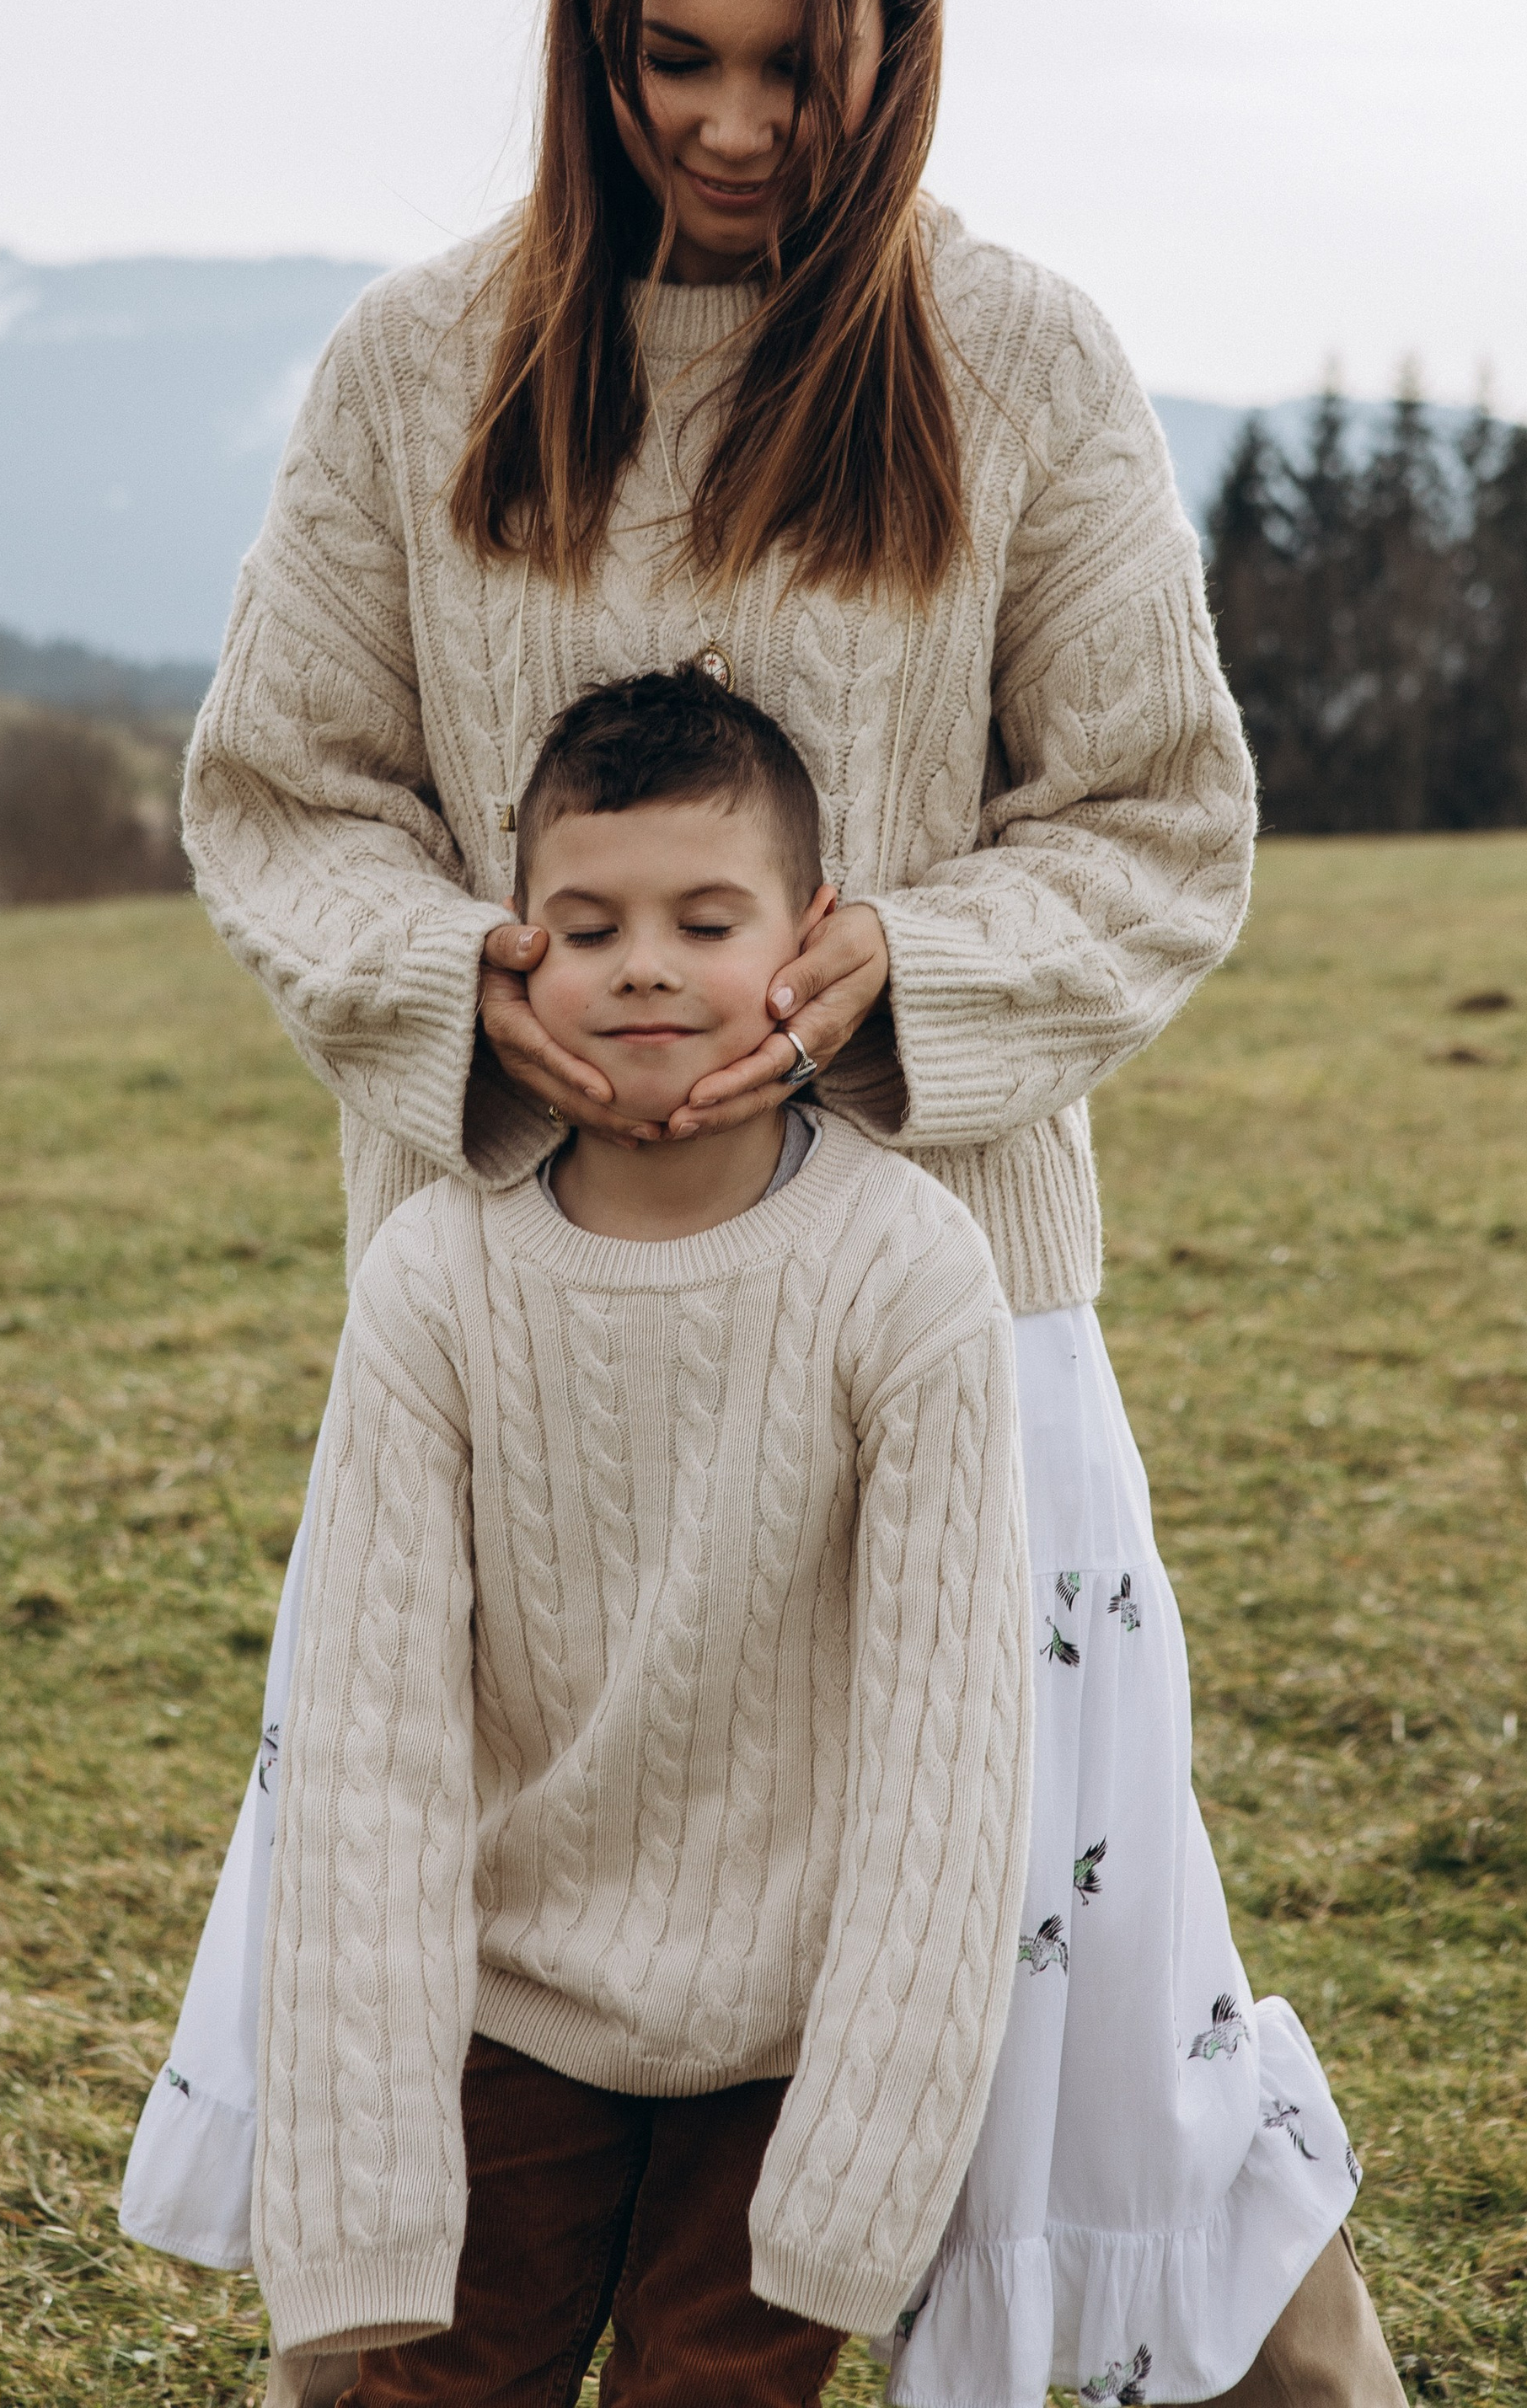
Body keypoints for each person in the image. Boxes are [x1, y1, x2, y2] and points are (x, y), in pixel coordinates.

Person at [123, 0, 1404, 2405]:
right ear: (594, 34)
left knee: (1127, 2102)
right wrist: (460, 986)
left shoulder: (1019, 367)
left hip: (947, 1367)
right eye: (665, 58)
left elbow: (1164, 821)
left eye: (788, 72)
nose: (724, 129)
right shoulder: (416, 369)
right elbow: (282, 795)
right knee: (430, 2120)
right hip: (520, 1384)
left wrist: (903, 974)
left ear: (898, 42)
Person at [254, 666, 1035, 2401]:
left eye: (705, 918)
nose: (648, 967)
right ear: (512, 947)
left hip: (786, 2039)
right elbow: (366, 1752)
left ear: (809, 938)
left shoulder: (905, 1277)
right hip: (508, 2013)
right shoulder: (434, 1285)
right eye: (587, 924)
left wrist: (858, 2158)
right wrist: (365, 2185)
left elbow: (948, 1745)